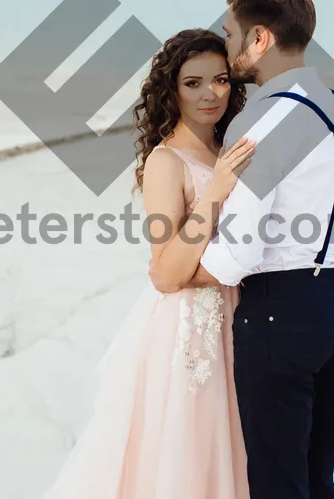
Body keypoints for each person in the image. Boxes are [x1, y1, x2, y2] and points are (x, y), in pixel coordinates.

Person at [159, 0, 334, 499]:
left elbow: (238, 254)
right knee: (316, 474)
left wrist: (180, 271)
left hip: (283, 312)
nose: (228, 50)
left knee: (278, 482)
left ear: (260, 39)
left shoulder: (260, 122)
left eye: (232, 37)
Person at [40, 28, 255, 499]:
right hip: (190, 330)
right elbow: (167, 272)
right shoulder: (166, 161)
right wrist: (215, 192)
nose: (210, 93)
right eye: (193, 82)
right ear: (171, 89)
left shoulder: (226, 149)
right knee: (186, 454)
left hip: (239, 319)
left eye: (220, 80)